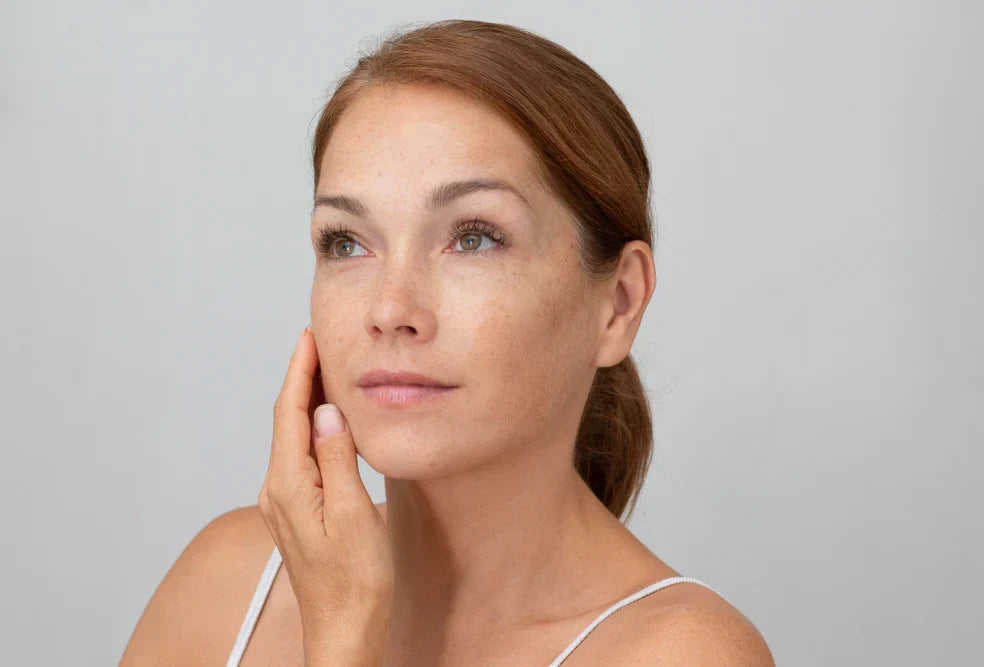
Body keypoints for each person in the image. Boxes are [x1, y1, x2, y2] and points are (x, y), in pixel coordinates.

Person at [119, 19, 774, 666]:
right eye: (346, 241)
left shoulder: (682, 652)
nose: (390, 308)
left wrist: (345, 641)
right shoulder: (229, 583)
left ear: (618, 304)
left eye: (474, 236)